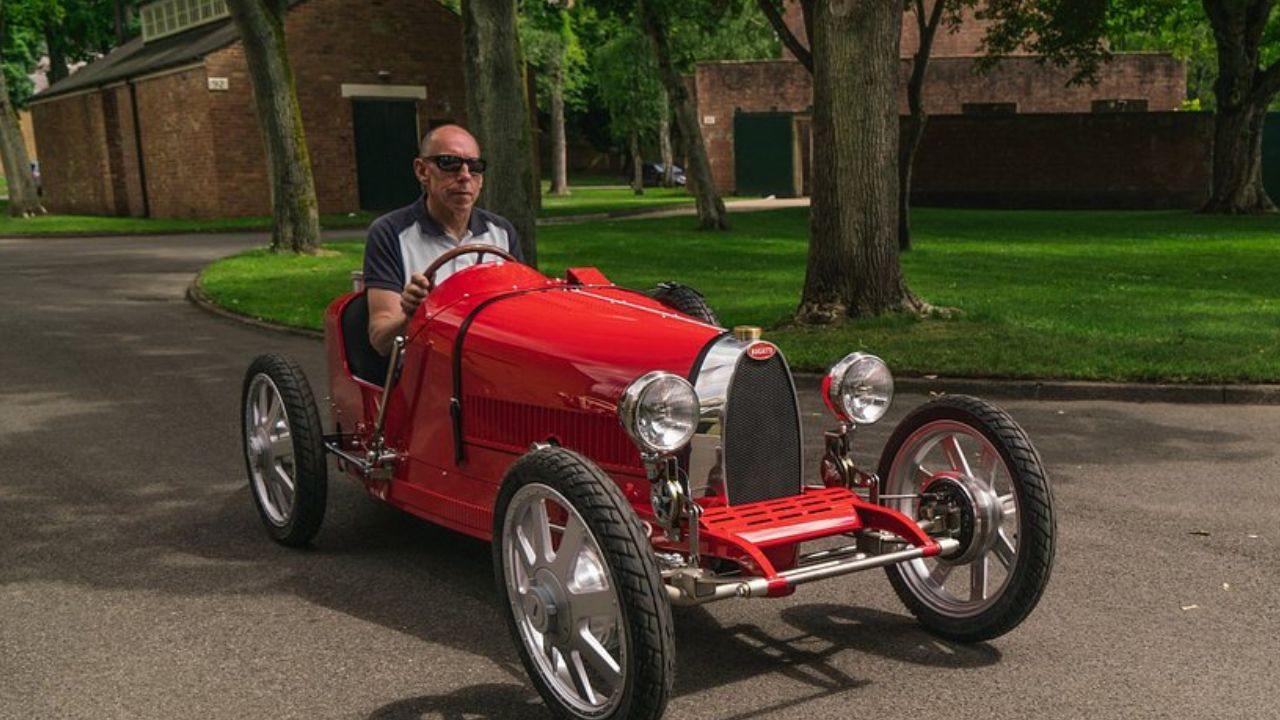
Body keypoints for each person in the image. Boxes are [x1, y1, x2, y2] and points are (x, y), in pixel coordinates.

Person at [362, 124, 523, 355]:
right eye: (449, 163)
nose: (465, 175)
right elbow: (380, 340)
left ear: (481, 179)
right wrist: (411, 314)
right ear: (422, 170)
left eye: (475, 167)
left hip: (491, 363)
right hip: (422, 371)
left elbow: (520, 313)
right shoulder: (390, 233)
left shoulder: (502, 232)